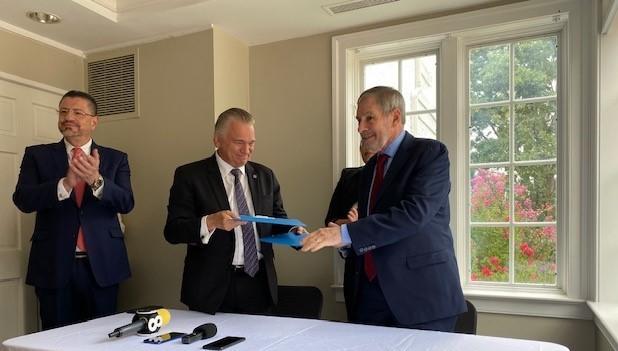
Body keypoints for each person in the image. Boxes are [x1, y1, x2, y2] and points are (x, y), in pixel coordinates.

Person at [303, 86, 466, 331]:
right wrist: (343, 238)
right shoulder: (369, 170)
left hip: (422, 298)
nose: (360, 128)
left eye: (369, 118)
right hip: (370, 299)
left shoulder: (430, 153)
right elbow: (372, 227)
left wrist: (345, 234)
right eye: (358, 120)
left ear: (396, 117)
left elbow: (414, 213)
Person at [13, 90, 134, 330]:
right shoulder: (37, 155)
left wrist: (97, 181)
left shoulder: (115, 158)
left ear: (94, 121)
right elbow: (23, 200)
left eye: (77, 112)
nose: (68, 117)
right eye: (64, 111)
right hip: (53, 265)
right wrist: (65, 184)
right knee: (55, 339)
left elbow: (126, 203)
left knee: (101, 338)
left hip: (103, 266)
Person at [164, 107, 300, 315]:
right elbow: (173, 231)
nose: (247, 150)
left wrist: (294, 234)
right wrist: (211, 222)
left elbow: (277, 219)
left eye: (252, 143)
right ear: (217, 140)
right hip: (211, 289)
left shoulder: (265, 175)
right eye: (239, 142)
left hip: (259, 285)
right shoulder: (190, 175)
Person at [324, 141, 378, 320]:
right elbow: (330, 221)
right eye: (362, 143)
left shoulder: (399, 178)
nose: (366, 148)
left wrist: (361, 226)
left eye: (371, 143)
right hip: (355, 271)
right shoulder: (349, 176)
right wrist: (349, 224)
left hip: (387, 270)